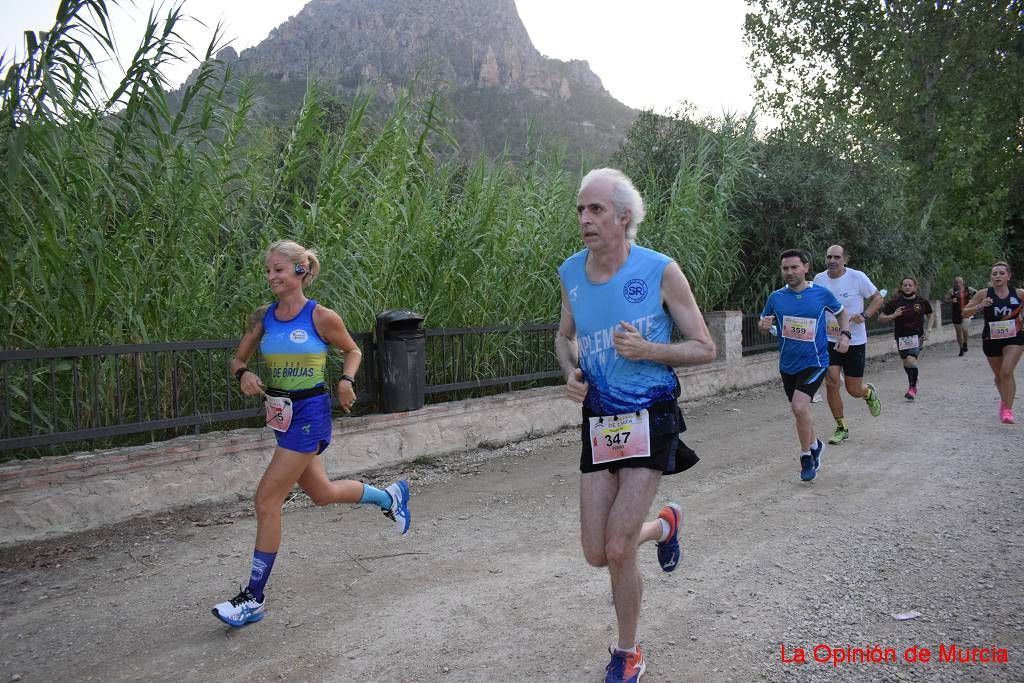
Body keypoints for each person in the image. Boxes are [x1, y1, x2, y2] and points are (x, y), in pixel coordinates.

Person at [556, 168, 716, 682]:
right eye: (581, 209)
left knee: (620, 548)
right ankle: (664, 526)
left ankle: (628, 654)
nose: (585, 219)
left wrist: (650, 350)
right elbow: (565, 338)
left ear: (624, 218)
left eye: (596, 210)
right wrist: (571, 371)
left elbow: (705, 346)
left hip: (651, 415)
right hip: (600, 418)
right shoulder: (570, 274)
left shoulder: (660, 271)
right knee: (595, 552)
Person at [211, 240, 411, 628]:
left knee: (267, 499)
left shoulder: (320, 316)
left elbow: (353, 350)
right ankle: (389, 496)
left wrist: (345, 380)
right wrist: (244, 374)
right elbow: (237, 358)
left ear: (301, 271)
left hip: (310, 412)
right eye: (268, 271)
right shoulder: (262, 317)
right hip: (281, 413)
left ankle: (253, 598)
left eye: (279, 270)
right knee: (321, 493)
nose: (271, 277)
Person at [759, 249, 851, 482]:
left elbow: (842, 313)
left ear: (805, 267)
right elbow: (763, 323)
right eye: (785, 269)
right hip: (788, 364)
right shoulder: (776, 297)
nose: (789, 272)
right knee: (800, 411)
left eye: (794, 267)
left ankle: (806, 457)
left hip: (816, 361)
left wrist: (845, 335)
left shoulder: (821, 294)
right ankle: (815, 444)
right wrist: (763, 324)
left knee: (800, 407)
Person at [812, 245, 883, 444]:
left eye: (836, 256)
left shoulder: (857, 277)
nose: (832, 260)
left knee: (853, 389)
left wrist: (865, 315)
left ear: (845, 259)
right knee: (832, 382)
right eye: (829, 256)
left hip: (855, 340)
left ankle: (867, 392)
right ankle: (841, 427)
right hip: (829, 340)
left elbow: (878, 297)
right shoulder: (819, 279)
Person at [961, 261, 1024, 424]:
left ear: (1009, 276)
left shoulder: (1019, 293)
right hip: (991, 338)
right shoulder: (983, 294)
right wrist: (980, 306)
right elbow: (964, 312)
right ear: (991, 277)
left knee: (1007, 371)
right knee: (999, 376)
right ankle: (1005, 401)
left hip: (1014, 337)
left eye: (1002, 273)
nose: (998, 276)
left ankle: (1008, 410)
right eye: (994, 273)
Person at [878, 277, 933, 400]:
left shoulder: (922, 302)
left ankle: (912, 388)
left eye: (910, 285)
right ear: (901, 287)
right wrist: (893, 315)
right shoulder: (894, 303)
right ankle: (914, 378)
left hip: (917, 336)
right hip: (901, 337)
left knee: (910, 360)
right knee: (906, 362)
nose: (907, 287)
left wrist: (929, 330)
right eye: (905, 285)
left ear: (915, 287)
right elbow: (880, 318)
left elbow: (930, 314)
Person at [948, 276, 977, 356]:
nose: (958, 284)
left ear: (963, 282)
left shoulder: (969, 289)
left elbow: (978, 294)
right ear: (954, 283)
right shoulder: (952, 291)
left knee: (964, 328)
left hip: (966, 312)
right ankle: (961, 348)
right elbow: (945, 299)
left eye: (960, 282)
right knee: (958, 332)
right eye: (956, 282)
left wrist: (973, 301)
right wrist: (951, 300)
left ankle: (965, 343)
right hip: (956, 313)